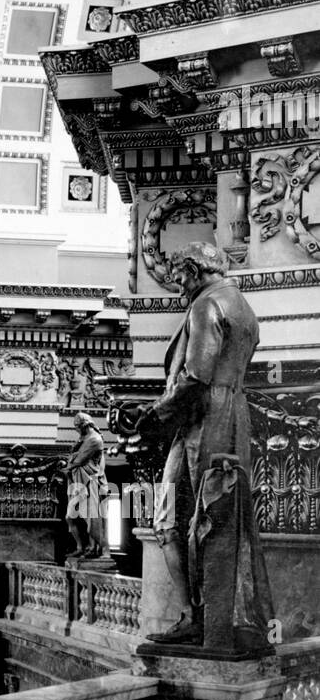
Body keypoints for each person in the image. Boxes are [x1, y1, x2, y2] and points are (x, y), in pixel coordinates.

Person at [135, 242, 272, 647]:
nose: (176, 283)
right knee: (220, 517)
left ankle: (194, 617)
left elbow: (195, 377)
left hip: (203, 421)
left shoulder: (205, 305)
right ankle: (217, 623)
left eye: (178, 274)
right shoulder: (242, 306)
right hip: (233, 416)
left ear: (193, 269)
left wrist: (153, 415)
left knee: (172, 518)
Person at [62, 411, 110, 561]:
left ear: (84, 425)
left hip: (90, 483)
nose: (76, 430)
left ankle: (93, 548)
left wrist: (70, 463)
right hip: (80, 483)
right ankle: (81, 547)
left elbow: (79, 459)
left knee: (92, 517)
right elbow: (75, 457)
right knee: (71, 516)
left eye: (77, 427)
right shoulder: (85, 439)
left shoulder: (94, 440)